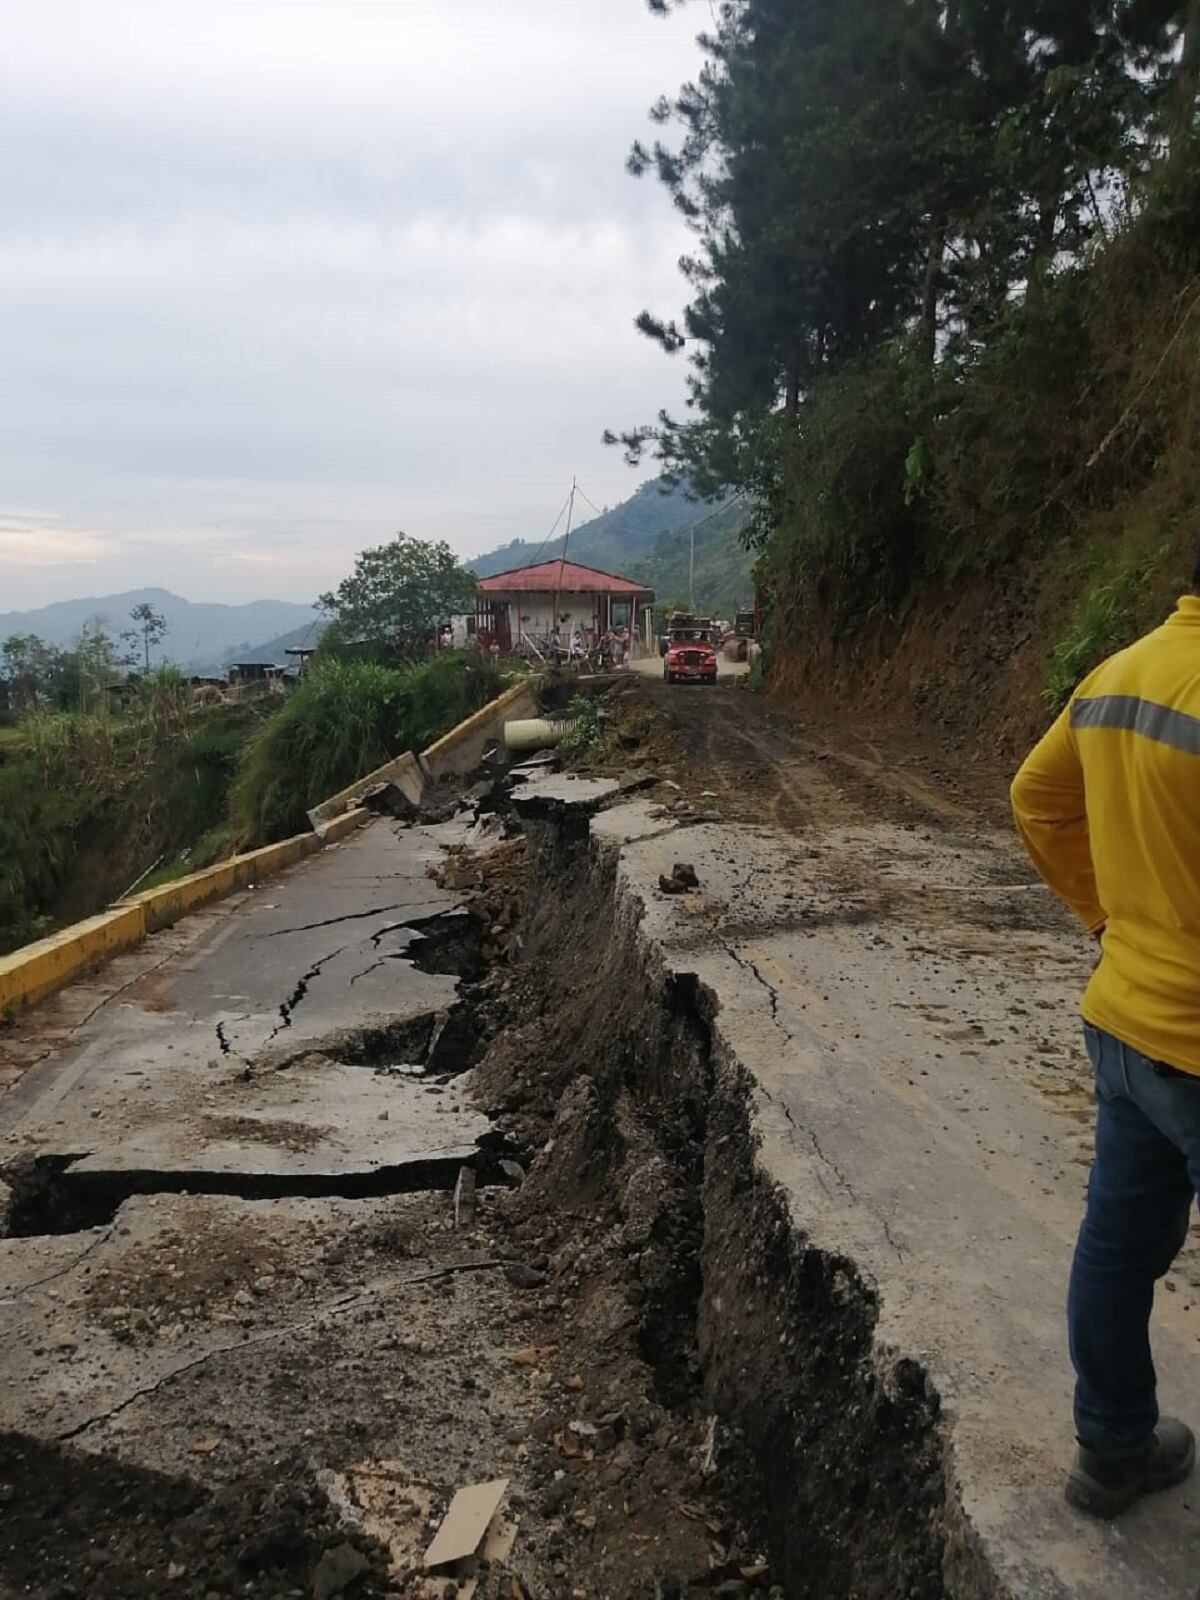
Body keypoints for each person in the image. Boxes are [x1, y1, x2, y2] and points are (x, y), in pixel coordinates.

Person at [1011, 547, 1200, 1518]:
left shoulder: (1118, 673)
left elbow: (1033, 799)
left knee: (1119, 1246)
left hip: (1123, 1021)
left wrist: (1103, 919)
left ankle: (1113, 1443)